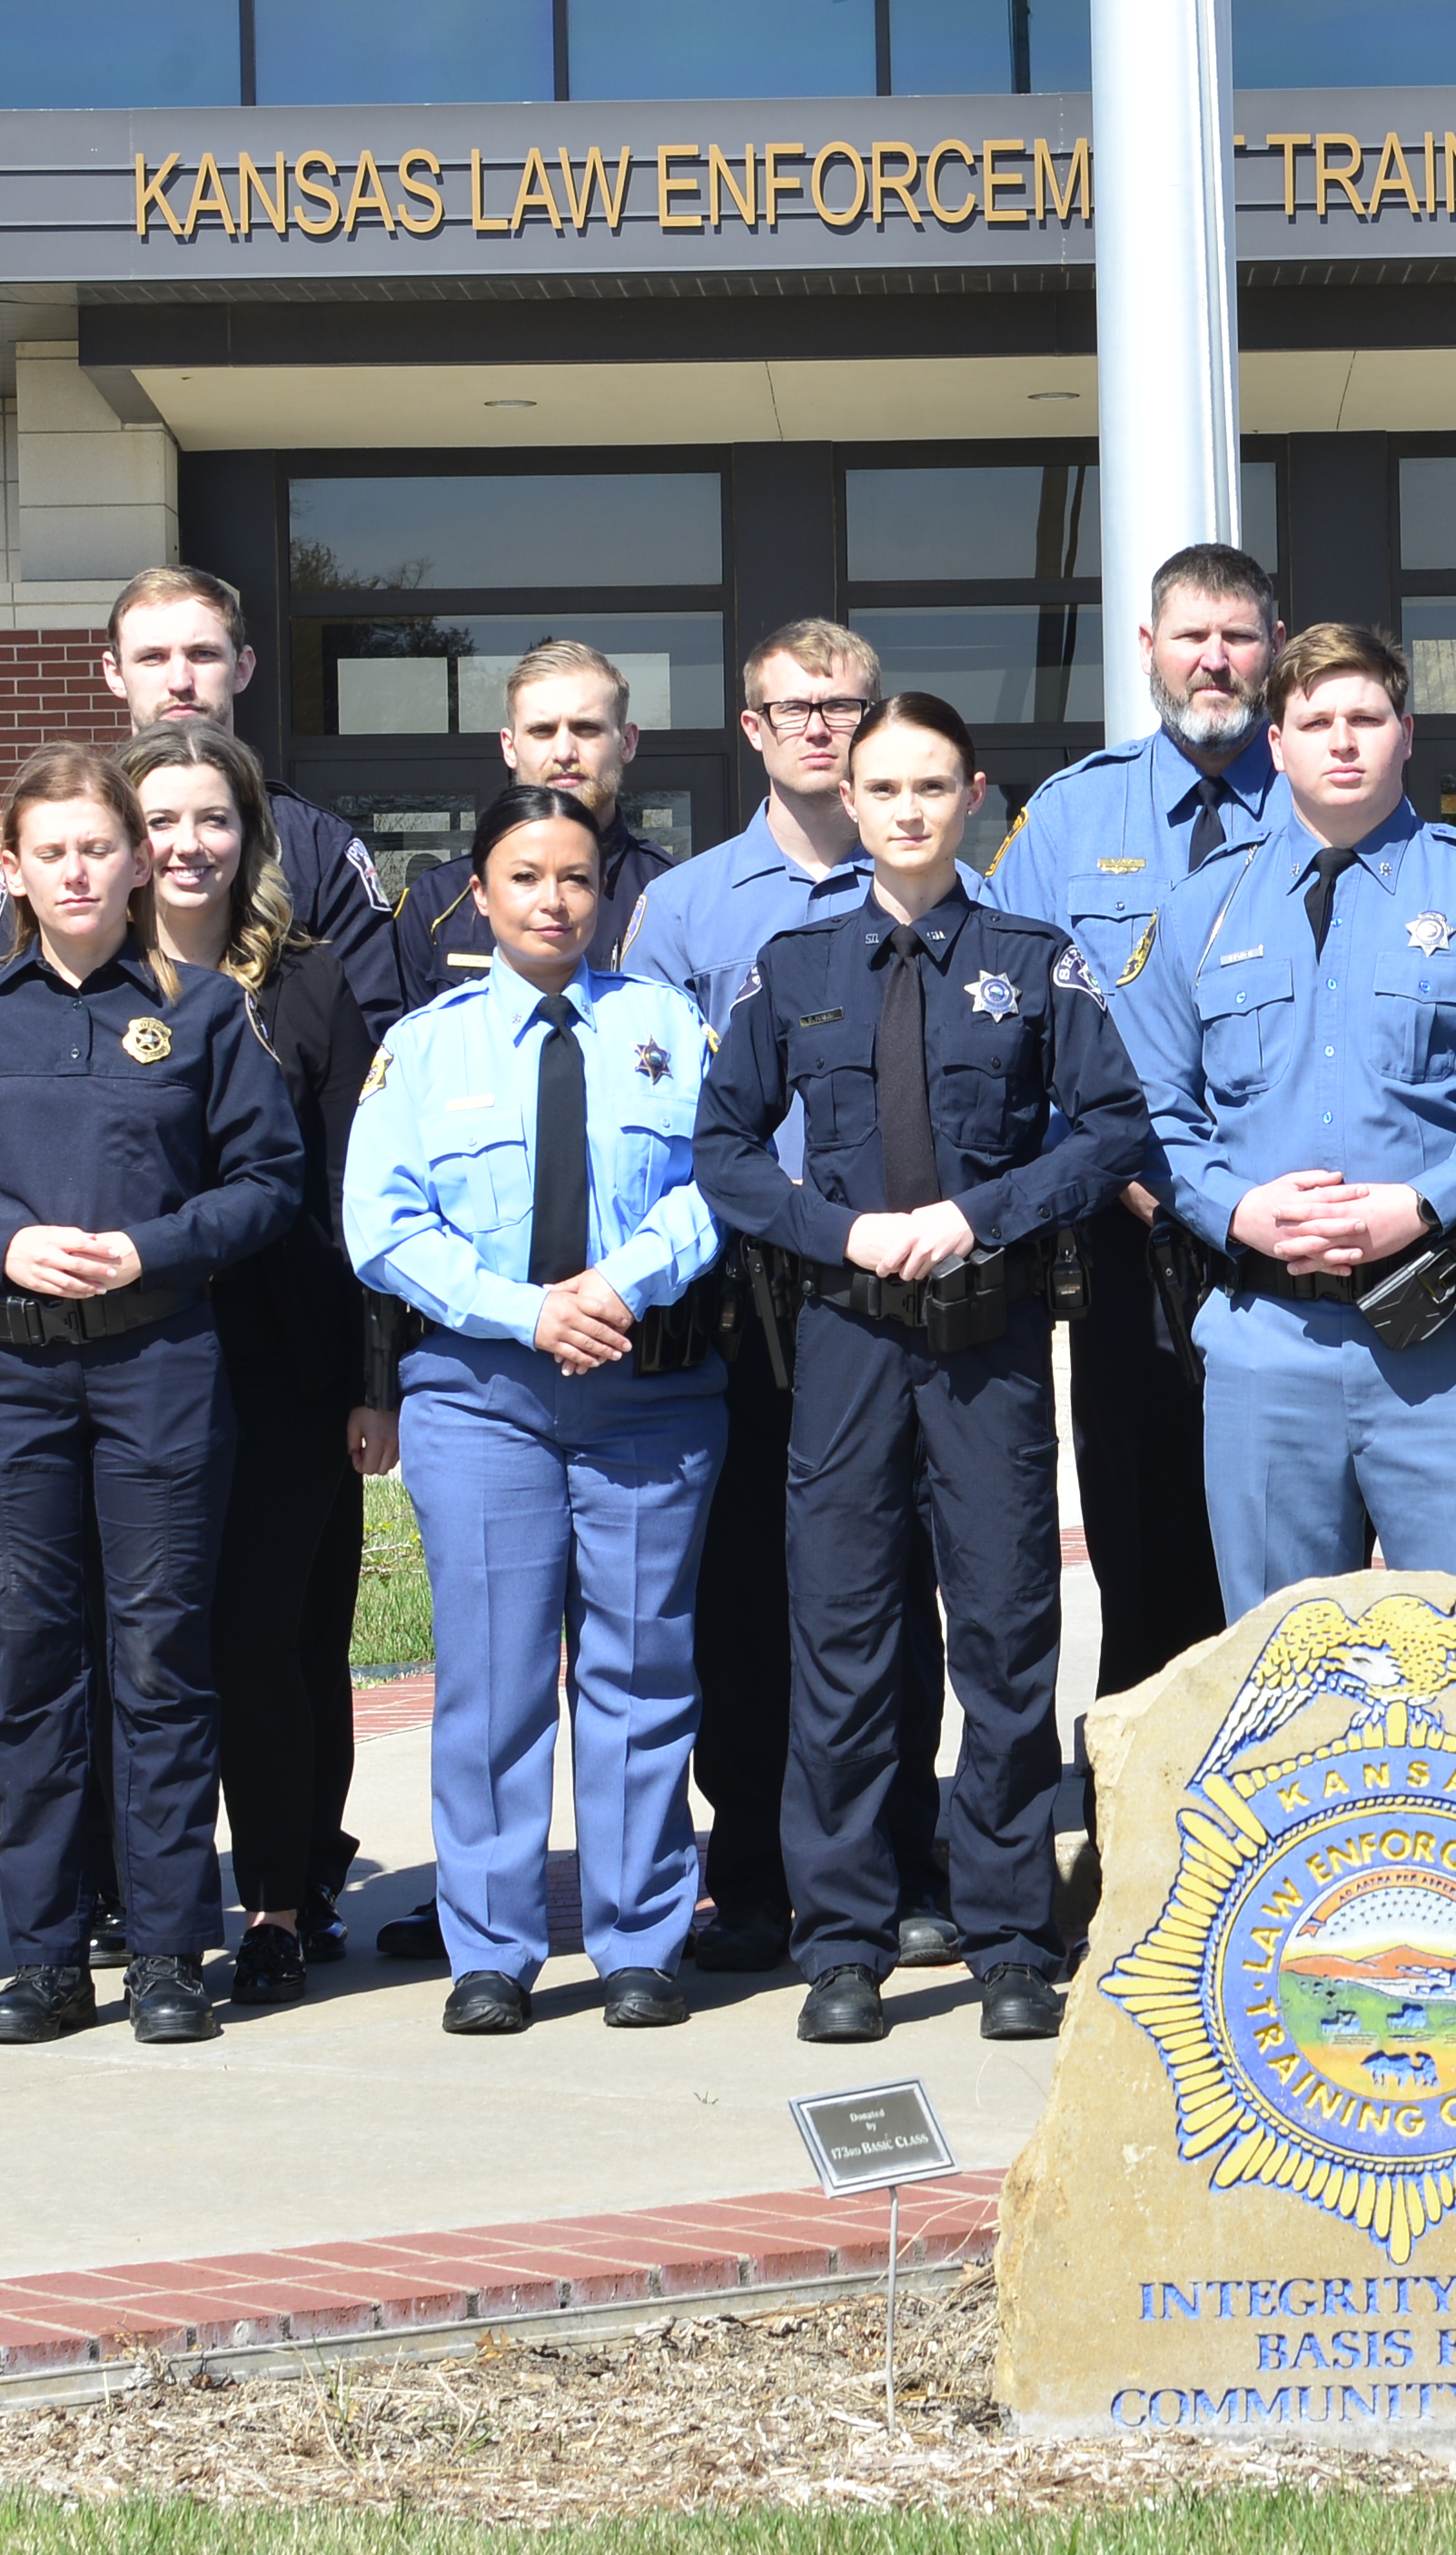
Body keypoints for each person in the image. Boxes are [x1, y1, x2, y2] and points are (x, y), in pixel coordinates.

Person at [698, 693, 1155, 2045]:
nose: (903, 810)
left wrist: (981, 1212)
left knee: (1007, 1640)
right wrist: (837, 1226)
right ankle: (842, 1938)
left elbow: (1115, 1130)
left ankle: (1011, 1934)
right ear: (848, 796)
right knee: (841, 1642)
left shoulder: (1034, 957)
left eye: (930, 788)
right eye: (881, 787)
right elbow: (723, 1153)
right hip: (842, 1337)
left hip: (988, 1341)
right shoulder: (795, 968)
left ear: (975, 799)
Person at [0, 747, 307, 2049]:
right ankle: (49, 1955)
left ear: (136, 863)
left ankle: (173, 1951)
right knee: (33, 1670)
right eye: (48, 851)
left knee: (162, 1659)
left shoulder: (204, 1011)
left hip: (160, 1366)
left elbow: (268, 1182)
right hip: (8, 1373)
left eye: (96, 848)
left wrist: (156, 1246)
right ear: (9, 869)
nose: (75, 870)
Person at [342, 785, 731, 2035]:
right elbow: (381, 1224)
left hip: (645, 1394)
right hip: (482, 1396)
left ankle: (639, 1941)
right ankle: (493, 1950)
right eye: (525, 876)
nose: (553, 900)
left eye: (574, 876)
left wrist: (616, 1283)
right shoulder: (426, 1043)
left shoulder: (667, 1026)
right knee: (494, 1680)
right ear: (480, 891)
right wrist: (526, 1310)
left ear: (605, 890)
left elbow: (721, 1182)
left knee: (640, 1671)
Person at [621, 620, 952, 1976]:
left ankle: (902, 1861)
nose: (821, 727)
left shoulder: (945, 888)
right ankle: (750, 1871)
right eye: (793, 708)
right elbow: (652, 1116)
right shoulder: (689, 912)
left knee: (901, 1593)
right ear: (751, 729)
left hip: (910, 1298)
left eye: (845, 708)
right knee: (750, 1598)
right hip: (751, 1297)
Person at [1114, 620, 1456, 1611]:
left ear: (1407, 732)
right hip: (1262, 1342)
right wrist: (1231, 1209)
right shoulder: (1200, 909)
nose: (1341, 740)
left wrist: (1428, 1203)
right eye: (1314, 720)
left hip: (1444, 1341)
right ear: (1277, 743)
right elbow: (1145, 1111)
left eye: (1365, 716)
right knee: (1279, 1670)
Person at [979, 544, 1281, 1717]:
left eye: (1239, 636)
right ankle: (1141, 1820)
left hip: (1292, 1243)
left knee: (1287, 1547)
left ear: (1272, 648)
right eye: (1191, 636)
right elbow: (1008, 1027)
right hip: (1129, 1238)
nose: (1215, 660)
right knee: (1143, 1543)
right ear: (1146, 651)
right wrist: (1121, 1171)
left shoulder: (1324, 792)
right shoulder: (1070, 815)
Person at [119, 719, 390, 2002]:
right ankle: (144, 1893)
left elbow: (355, 1196)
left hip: (284, 1362)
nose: (187, 844)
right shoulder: (74, 975)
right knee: (149, 1638)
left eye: (212, 819)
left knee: (275, 1640)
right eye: (162, 819)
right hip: (120, 1361)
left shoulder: (312, 983)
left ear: (251, 837)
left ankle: (283, 1897)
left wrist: (370, 1377)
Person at [98, 562, 417, 993]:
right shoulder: (63, 835)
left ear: (243, 667)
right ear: (114, 673)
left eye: (202, 654)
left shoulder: (316, 846)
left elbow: (370, 1025)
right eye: (152, 657)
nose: (180, 681)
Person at [398, 642, 677, 979]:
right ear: (509, 747)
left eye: (586, 728)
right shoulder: (437, 901)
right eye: (542, 731)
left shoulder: (675, 896)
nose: (563, 752)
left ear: (627, 742)